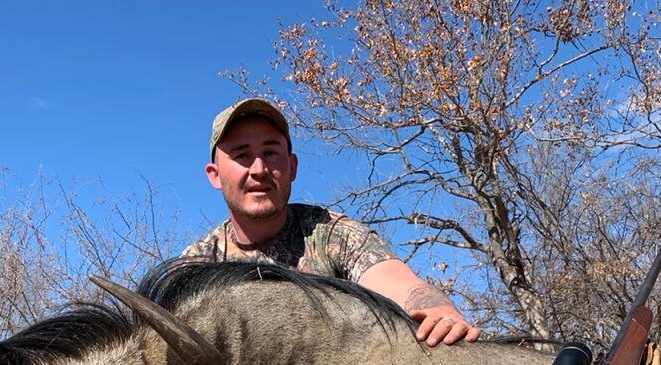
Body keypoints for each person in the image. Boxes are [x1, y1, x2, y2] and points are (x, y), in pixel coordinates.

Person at [181, 98, 479, 347]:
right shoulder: (196, 266)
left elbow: (397, 284)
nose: (259, 169)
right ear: (215, 175)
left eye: (270, 152)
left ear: (292, 166)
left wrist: (436, 309)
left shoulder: (330, 233)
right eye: (242, 156)